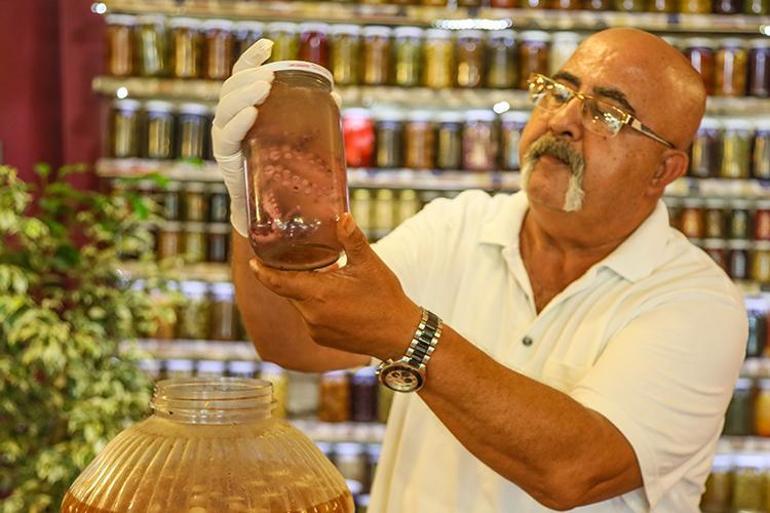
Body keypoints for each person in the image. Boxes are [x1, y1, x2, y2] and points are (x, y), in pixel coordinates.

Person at [212, 28, 747, 512]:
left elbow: (574, 472)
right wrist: (257, 205)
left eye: (607, 114)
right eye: (559, 92)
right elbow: (295, 344)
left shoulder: (697, 302)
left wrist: (409, 334)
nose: (561, 120)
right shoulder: (458, 227)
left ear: (665, 169)